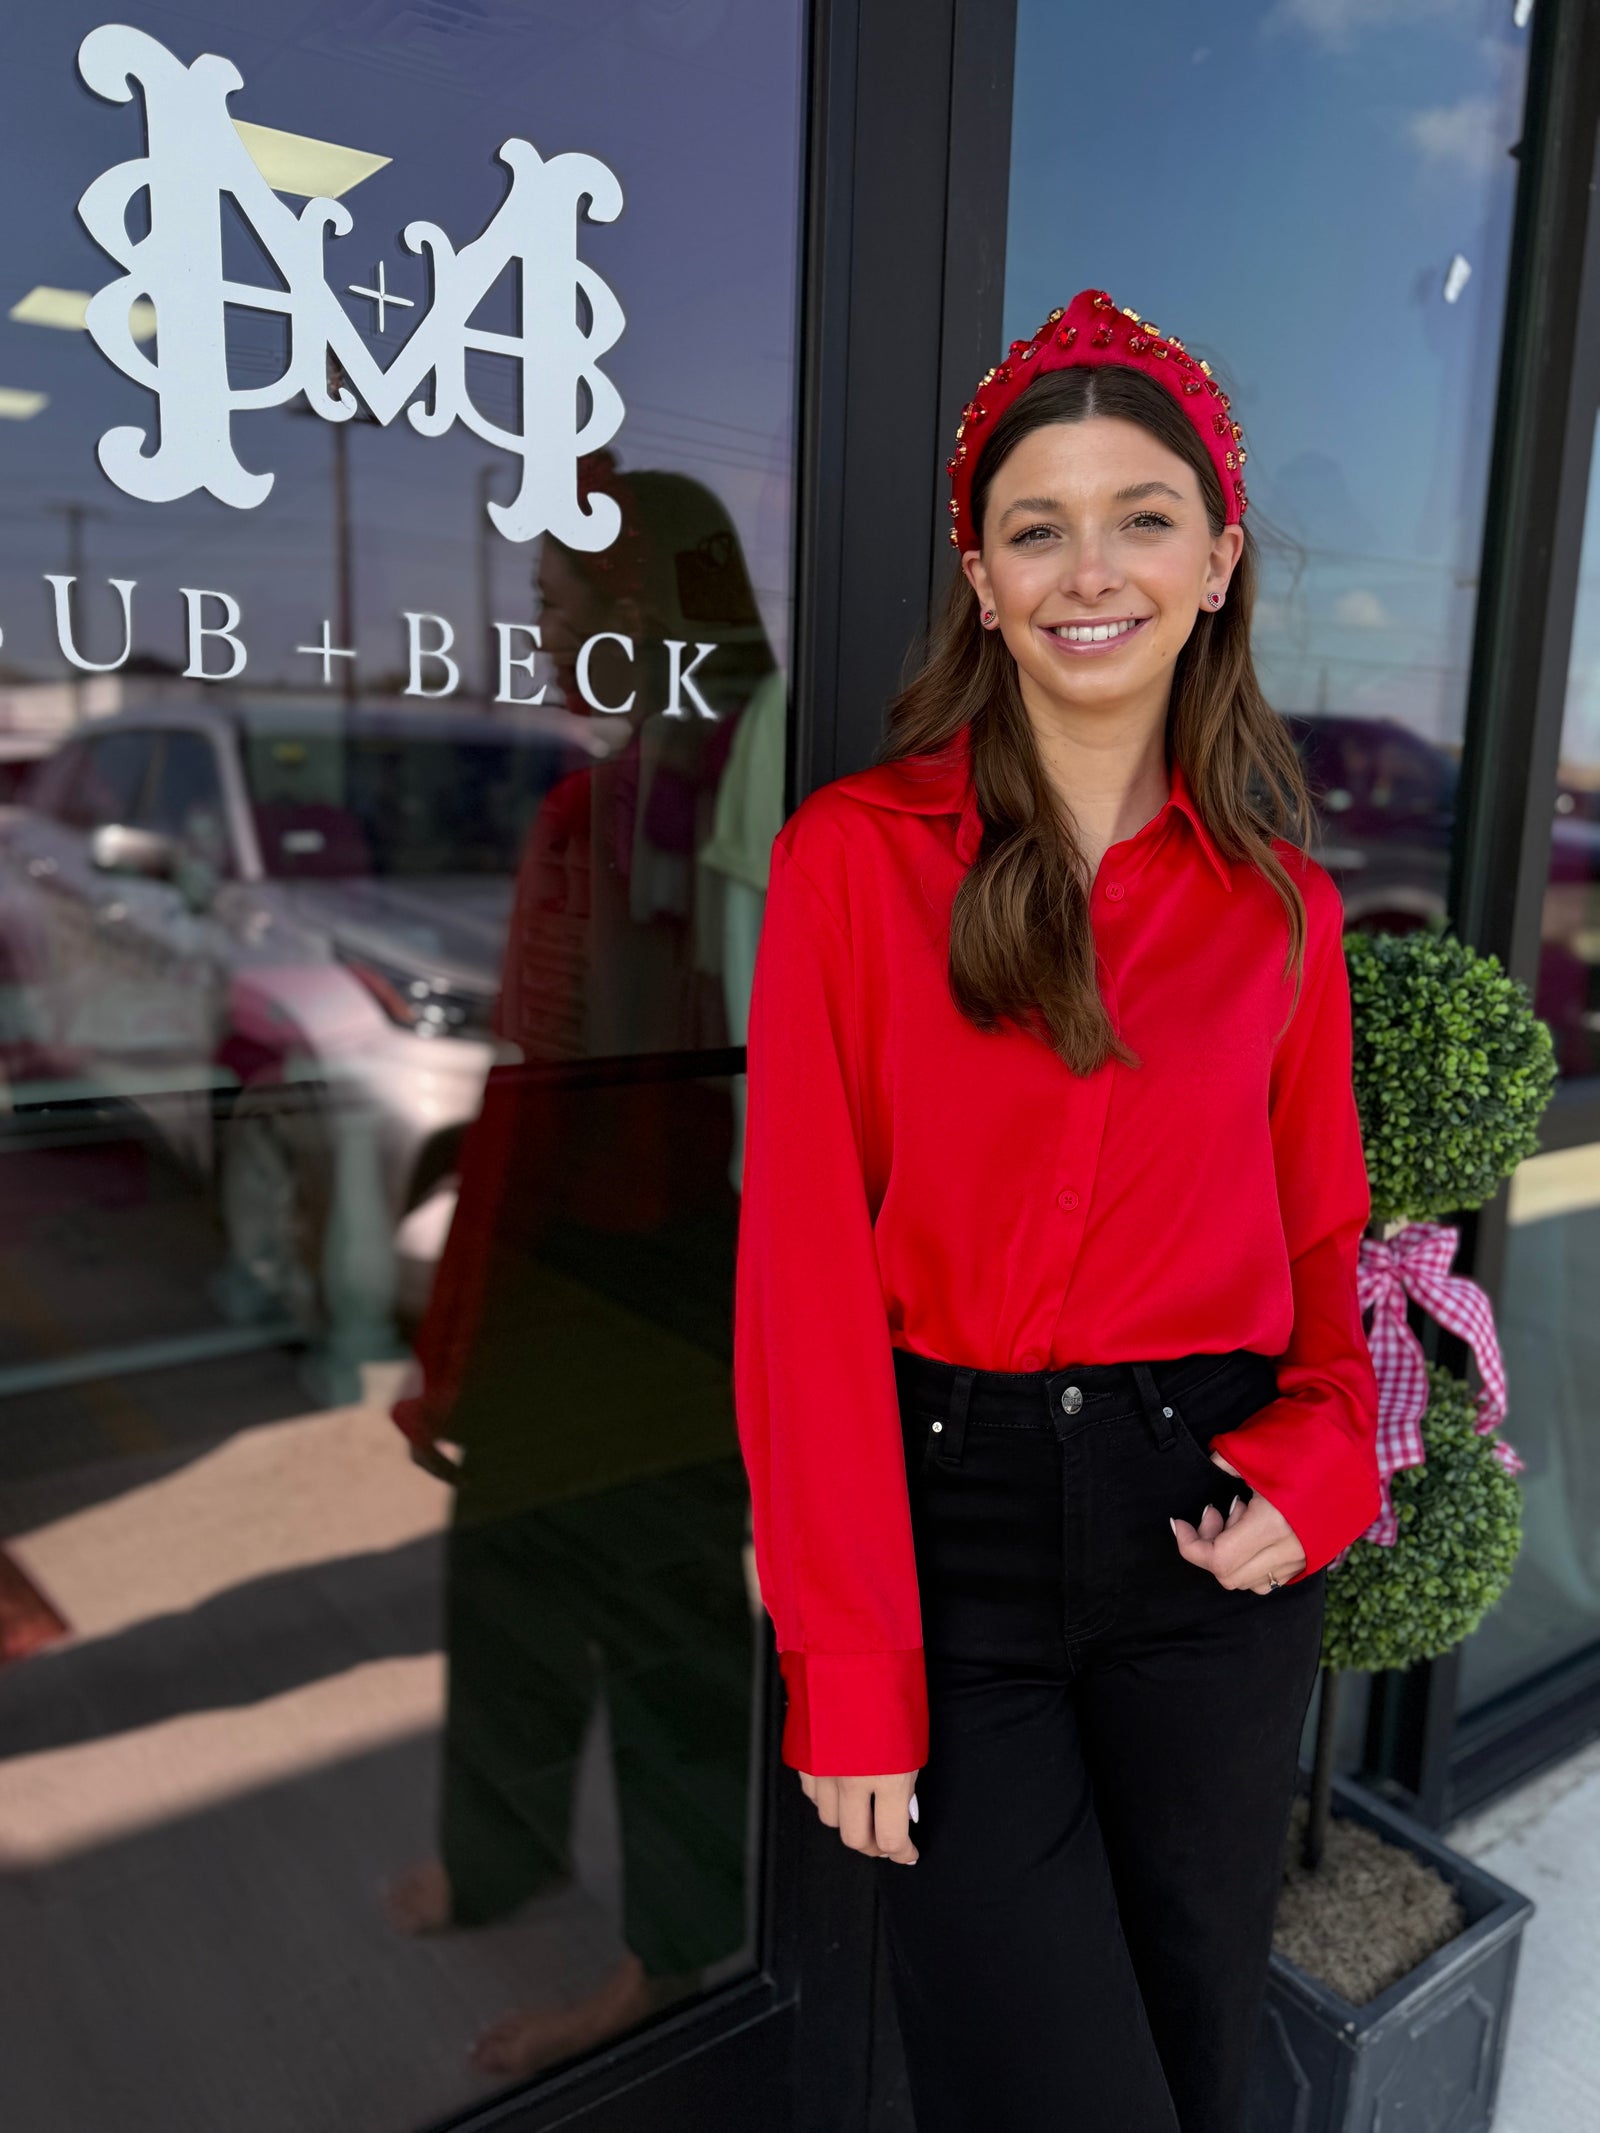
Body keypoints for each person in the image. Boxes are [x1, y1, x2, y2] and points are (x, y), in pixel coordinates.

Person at [732, 287, 1381, 2133]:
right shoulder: (856, 863)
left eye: (1141, 516)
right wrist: (850, 1656)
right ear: (987, 578)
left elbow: (1326, 1246)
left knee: (1191, 2066)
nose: (1089, 568)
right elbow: (796, 1278)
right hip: (958, 1538)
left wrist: (1321, 1471)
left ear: (1218, 559)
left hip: (1206, 1534)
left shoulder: (1281, 910)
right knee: (1050, 2094)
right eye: (1039, 527)